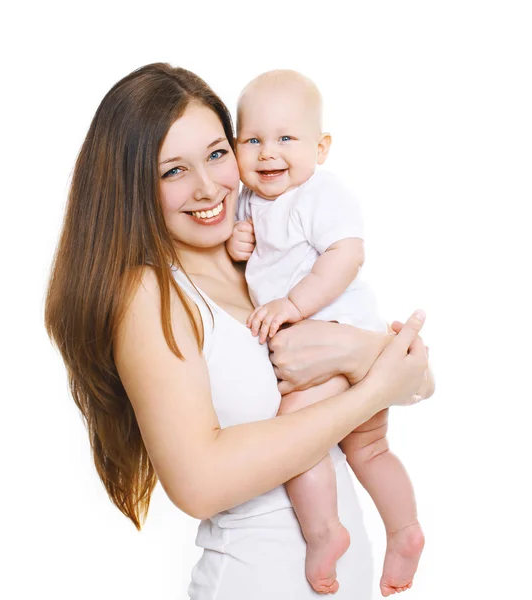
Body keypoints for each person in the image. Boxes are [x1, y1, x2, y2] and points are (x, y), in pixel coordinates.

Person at [44, 63, 434, 600]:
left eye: (216, 154)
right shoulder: (150, 293)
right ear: (132, 188)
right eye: (172, 171)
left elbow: (417, 379)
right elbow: (200, 484)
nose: (208, 188)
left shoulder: (263, 261)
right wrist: (371, 388)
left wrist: (359, 350)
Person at [227, 69, 426, 596]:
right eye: (253, 140)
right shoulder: (250, 202)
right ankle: (405, 531)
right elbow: (256, 256)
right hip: (337, 341)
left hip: (336, 328)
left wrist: (294, 303)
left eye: (286, 138)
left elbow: (347, 253)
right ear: (236, 147)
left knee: (296, 434)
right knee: (369, 449)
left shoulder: (318, 193)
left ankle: (324, 533)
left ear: (322, 147)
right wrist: (238, 243)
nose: (268, 153)